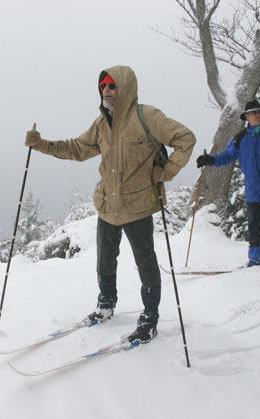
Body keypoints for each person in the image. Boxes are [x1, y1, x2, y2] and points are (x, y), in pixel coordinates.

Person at [24, 65, 196, 344]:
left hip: (138, 205)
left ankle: (149, 318)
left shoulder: (147, 117)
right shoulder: (101, 124)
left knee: (145, 263)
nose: (106, 90)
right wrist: (41, 144)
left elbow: (185, 138)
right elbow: (76, 148)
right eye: (103, 85)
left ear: (125, 88)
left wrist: (165, 172)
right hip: (107, 205)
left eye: (112, 85)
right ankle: (106, 304)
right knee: (104, 260)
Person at [196, 99, 260, 267]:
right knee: (254, 225)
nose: (255, 115)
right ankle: (255, 259)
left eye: (257, 112)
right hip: (253, 190)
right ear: (246, 117)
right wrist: (210, 159)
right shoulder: (240, 138)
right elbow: (227, 156)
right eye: (251, 113)